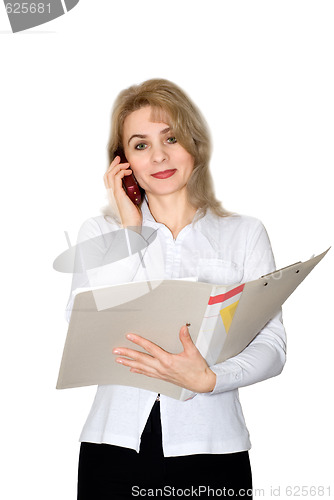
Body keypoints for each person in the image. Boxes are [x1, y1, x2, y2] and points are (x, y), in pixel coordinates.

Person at [66, 79, 287, 499]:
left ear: (195, 145)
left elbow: (272, 343)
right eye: (140, 144)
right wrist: (129, 231)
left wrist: (211, 378)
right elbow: (82, 327)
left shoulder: (243, 234)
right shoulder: (101, 232)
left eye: (171, 137)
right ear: (122, 161)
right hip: (113, 448)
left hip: (213, 448)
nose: (160, 155)